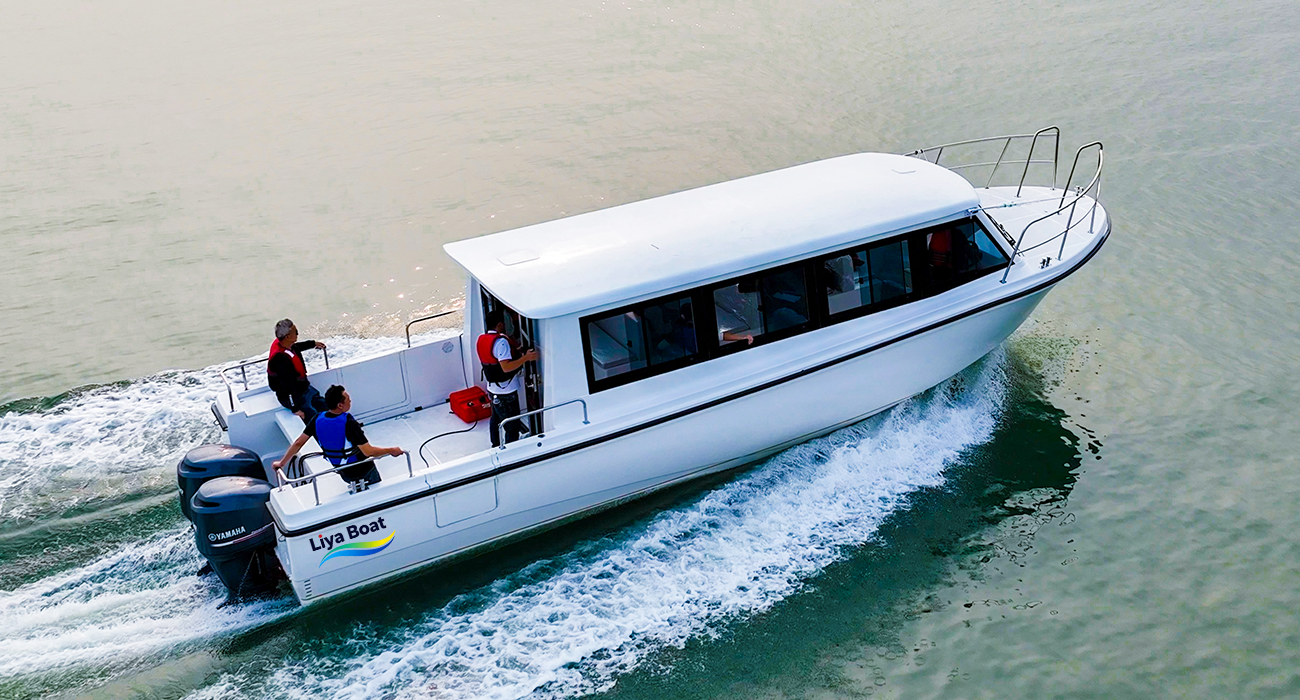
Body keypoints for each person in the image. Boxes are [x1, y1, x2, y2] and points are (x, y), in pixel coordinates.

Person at [273, 385, 404, 492]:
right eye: (348, 399)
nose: (350, 401)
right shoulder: (349, 423)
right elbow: (368, 451)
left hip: (343, 472)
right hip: (364, 470)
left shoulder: (317, 419)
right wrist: (391, 450)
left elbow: (298, 443)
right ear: (340, 405)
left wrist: (282, 463)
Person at [476, 309, 539, 447]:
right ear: (499, 324)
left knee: (495, 419)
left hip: (492, 388)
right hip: (506, 391)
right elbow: (506, 367)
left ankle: (495, 445)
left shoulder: (482, 339)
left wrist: (518, 352)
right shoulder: (501, 343)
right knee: (512, 426)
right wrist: (526, 358)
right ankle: (511, 450)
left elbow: (495, 359)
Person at [268, 319, 328, 423]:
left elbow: (296, 347)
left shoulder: (285, 344)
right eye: (295, 332)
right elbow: (288, 387)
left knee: (326, 406)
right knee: (314, 417)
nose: (298, 334)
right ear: (287, 337)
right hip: (294, 396)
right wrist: (295, 408)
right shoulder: (280, 360)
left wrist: (313, 343)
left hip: (304, 388)